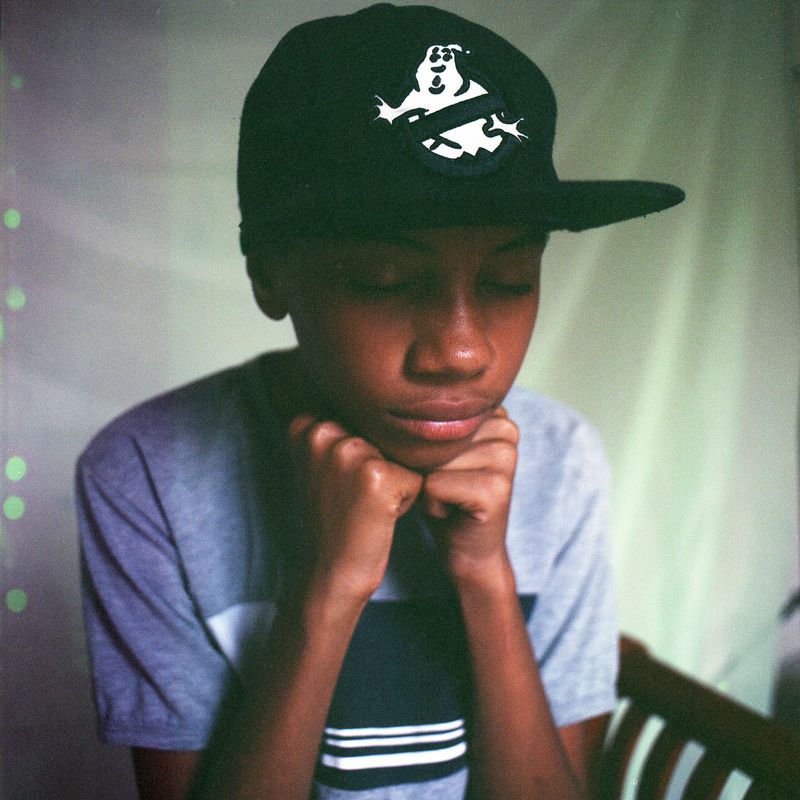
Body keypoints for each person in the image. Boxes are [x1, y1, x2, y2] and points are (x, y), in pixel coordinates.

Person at [76, 5, 684, 799]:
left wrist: (485, 575)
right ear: (269, 275)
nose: (463, 352)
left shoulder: (561, 458)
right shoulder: (147, 472)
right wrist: (326, 588)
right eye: (385, 281)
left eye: (510, 280)